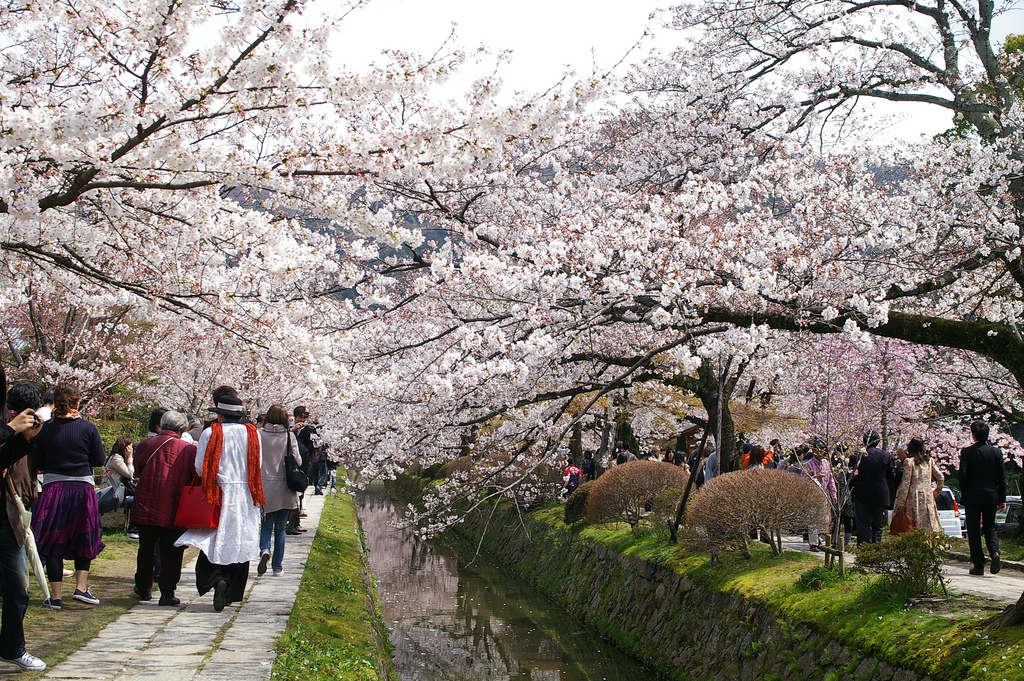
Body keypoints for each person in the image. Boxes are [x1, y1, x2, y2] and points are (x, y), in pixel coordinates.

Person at [176, 394, 265, 611]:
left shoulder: (210, 433)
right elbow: (258, 464)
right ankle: (232, 591)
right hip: (245, 494)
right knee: (240, 542)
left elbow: (200, 467)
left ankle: (216, 578)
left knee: (214, 540)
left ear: (220, 414)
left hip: (217, 493)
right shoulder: (253, 434)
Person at [29, 382, 105, 608]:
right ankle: (81, 588)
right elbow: (99, 460)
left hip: (53, 489)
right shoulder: (88, 428)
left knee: (53, 539)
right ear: (76, 403)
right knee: (85, 534)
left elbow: (38, 462)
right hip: (82, 488)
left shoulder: (44, 429)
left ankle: (55, 596)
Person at [0, 376, 46, 672]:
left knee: (18, 587)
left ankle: (13, 648)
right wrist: (10, 429)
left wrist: (25, 439)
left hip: (5, 516)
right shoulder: (6, 423)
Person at [132, 410, 196, 606]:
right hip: (174, 503)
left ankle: (143, 588)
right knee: (173, 550)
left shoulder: (144, 445)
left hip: (146, 502)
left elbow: (138, 469)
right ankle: (167, 592)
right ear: (181, 428)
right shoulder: (188, 449)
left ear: (161, 425)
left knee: (146, 548)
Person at [258, 405, 301, 577]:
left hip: (265, 486)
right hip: (284, 486)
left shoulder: (259, 435)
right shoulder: (289, 437)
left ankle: (264, 549)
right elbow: (297, 460)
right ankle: (277, 567)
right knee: (281, 528)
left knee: (266, 525)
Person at [959, 421, 1006, 575]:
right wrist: (1002, 499)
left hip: (972, 496)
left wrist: (965, 490)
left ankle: (979, 565)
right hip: (991, 495)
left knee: (973, 530)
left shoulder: (967, 452)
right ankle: (994, 552)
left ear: (973, 435)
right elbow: (1001, 478)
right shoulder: (996, 453)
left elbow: (963, 475)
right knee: (990, 526)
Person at [892, 437, 943, 533]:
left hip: (912, 497)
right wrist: (935, 492)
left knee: (912, 527)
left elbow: (906, 483)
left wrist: (900, 503)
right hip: (928, 496)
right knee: (928, 526)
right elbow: (940, 477)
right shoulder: (929, 461)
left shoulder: (909, 462)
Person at [850, 431, 893, 546]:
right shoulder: (886, 455)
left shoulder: (857, 456)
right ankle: (876, 547)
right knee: (877, 524)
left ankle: (865, 548)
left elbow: (851, 475)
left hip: (862, 493)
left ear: (864, 441)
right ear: (878, 441)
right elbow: (891, 475)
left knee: (863, 523)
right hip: (880, 493)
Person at [804, 439, 838, 552]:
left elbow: (831, 480)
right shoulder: (807, 465)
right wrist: (815, 477)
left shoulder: (827, 464)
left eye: (822, 451)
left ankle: (819, 539)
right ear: (813, 451)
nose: (820, 453)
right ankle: (813, 543)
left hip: (824, 496)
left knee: (824, 520)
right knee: (813, 520)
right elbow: (803, 481)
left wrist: (834, 494)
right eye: (817, 450)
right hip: (812, 496)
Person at [106, 435, 138, 538]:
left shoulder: (117, 458)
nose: (131, 450)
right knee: (137, 501)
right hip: (113, 494)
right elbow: (129, 474)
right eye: (130, 447)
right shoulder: (116, 459)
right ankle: (132, 530)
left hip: (117, 492)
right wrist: (130, 458)